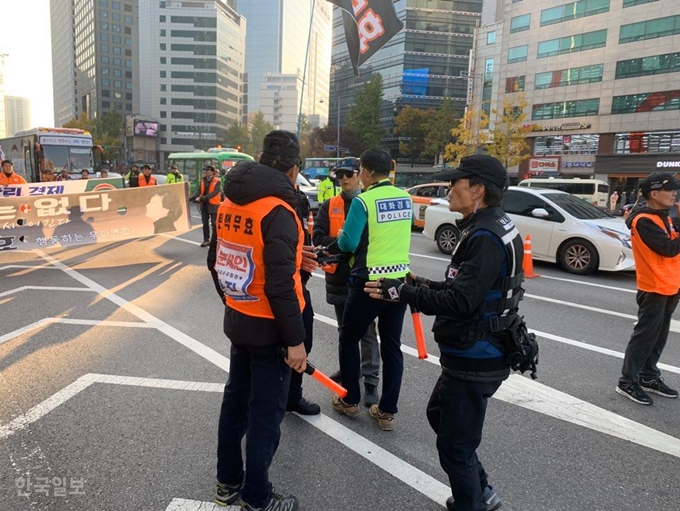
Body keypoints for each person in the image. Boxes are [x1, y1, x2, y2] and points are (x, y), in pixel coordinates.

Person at [364, 154, 524, 511]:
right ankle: (480, 490)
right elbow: (466, 289)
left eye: (457, 182)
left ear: (478, 190)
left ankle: (473, 500)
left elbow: (462, 302)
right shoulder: (490, 224)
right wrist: (421, 283)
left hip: (477, 354)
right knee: (440, 415)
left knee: (455, 446)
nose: (449, 188)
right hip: (476, 350)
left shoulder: (485, 235)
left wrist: (403, 293)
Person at [208, 130, 313, 511]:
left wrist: (235, 300)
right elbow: (282, 286)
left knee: (235, 403)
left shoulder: (229, 202)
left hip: (239, 319)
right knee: (265, 415)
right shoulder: (279, 212)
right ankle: (257, 498)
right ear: (293, 170)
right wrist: (296, 340)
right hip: (271, 328)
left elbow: (217, 262)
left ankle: (227, 483)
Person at [328, 147, 412, 431]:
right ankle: (386, 411)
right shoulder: (406, 198)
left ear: (365, 172)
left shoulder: (363, 202)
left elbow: (349, 244)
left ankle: (350, 399)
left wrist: (340, 238)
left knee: (349, 337)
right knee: (392, 345)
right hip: (399, 282)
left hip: (368, 281)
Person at [312, 156, 380, 406]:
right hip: (339, 277)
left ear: (359, 175)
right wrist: (339, 240)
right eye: (339, 175)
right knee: (344, 331)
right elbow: (317, 237)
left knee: (368, 332)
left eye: (348, 174)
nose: (343, 179)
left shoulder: (369, 203)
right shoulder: (330, 205)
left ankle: (371, 380)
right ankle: (349, 371)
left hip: (365, 276)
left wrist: (346, 244)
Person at [616, 172, 680, 405]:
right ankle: (627, 380)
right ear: (654, 194)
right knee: (645, 336)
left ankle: (648, 375)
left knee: (659, 336)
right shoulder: (644, 220)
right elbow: (669, 248)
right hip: (653, 286)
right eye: (670, 190)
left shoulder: (663, 216)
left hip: (670, 284)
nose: (675, 193)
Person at [191, 165, 222, 247]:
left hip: (214, 205)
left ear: (212, 172)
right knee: (205, 224)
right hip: (204, 205)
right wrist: (193, 197)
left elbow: (216, 191)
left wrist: (206, 197)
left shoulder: (217, 181)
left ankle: (215, 241)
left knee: (214, 224)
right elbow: (199, 190)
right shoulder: (203, 180)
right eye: (205, 170)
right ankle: (206, 240)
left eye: (207, 170)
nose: (206, 172)